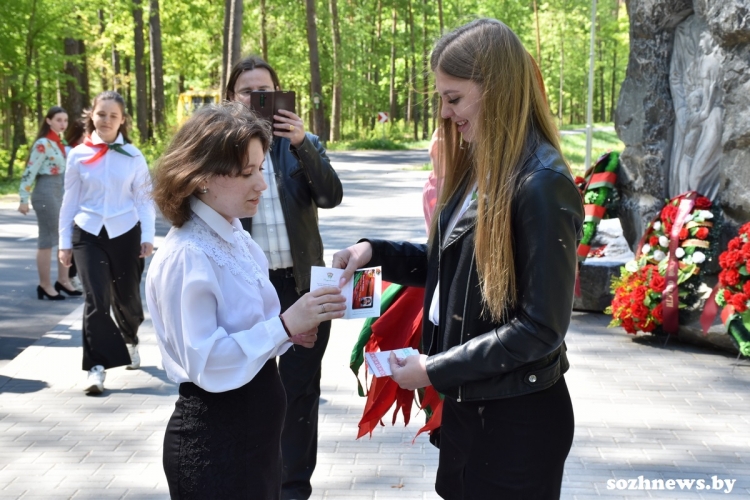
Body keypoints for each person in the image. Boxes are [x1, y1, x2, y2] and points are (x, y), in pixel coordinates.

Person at [333, 19, 584, 499]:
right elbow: (450, 267)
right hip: (475, 409)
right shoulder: (482, 165)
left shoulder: (542, 184)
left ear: (499, 91)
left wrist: (433, 369)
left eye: (455, 98)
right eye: (441, 99)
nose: (445, 114)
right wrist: (374, 252)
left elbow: (541, 329)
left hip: (517, 422)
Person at [145, 102, 346, 499]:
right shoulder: (188, 253)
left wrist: (291, 334)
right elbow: (208, 360)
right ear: (201, 177)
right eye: (247, 173)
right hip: (216, 447)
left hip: (252, 442)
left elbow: (250, 328)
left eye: (261, 169)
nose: (262, 184)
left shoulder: (234, 234)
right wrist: (286, 325)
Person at [226, 55, 344, 500]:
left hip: (301, 285)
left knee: (298, 393)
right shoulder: (223, 151)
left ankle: (293, 490)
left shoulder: (302, 142)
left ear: (279, 96)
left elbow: (330, 196)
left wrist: (302, 144)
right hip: (247, 287)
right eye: (247, 92)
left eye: (266, 92)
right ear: (231, 98)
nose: (257, 100)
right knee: (250, 390)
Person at [58, 91, 155, 394]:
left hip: (126, 233)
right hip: (87, 233)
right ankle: (95, 368)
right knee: (95, 299)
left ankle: (131, 338)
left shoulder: (134, 156)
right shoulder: (77, 155)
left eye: (113, 115)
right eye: (101, 114)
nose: (106, 120)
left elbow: (144, 200)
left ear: (122, 120)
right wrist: (64, 242)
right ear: (92, 116)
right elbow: (69, 202)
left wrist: (149, 237)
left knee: (127, 300)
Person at [17, 106, 81, 300]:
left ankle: (63, 280)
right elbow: (30, 171)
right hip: (45, 193)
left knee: (65, 236)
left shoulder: (59, 143)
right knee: (47, 240)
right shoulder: (43, 143)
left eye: (65, 120)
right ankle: (44, 285)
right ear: (48, 121)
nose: (63, 124)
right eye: (58, 120)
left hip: (58, 193)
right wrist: (23, 198)